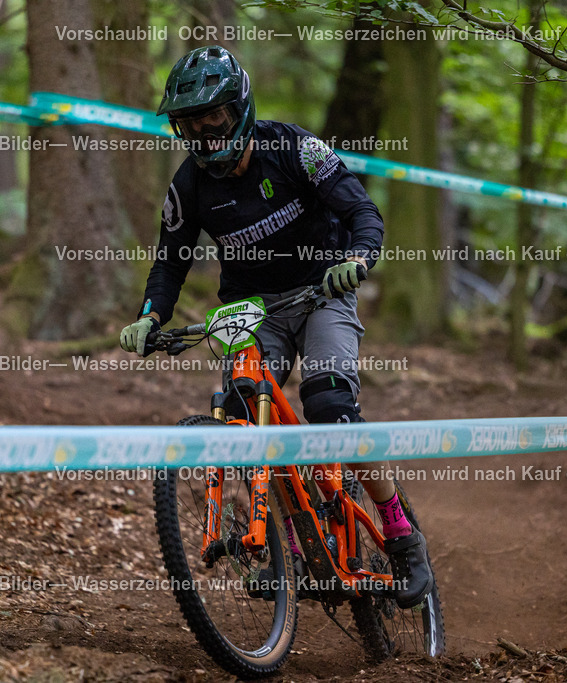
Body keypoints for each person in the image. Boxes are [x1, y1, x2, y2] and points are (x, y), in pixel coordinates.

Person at [119, 45, 433, 608]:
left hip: (321, 293)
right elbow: (170, 261)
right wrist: (150, 316)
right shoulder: (189, 185)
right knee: (245, 408)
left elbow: (364, 213)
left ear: (238, 109)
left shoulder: (294, 148)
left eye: (211, 117)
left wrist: (357, 260)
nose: (203, 132)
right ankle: (292, 544)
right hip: (253, 309)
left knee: (330, 405)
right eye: (190, 124)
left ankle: (402, 535)